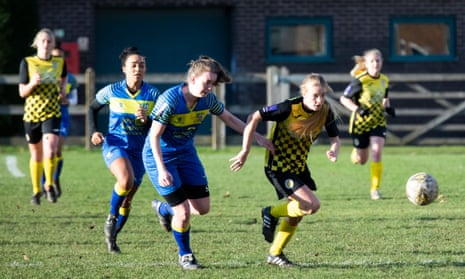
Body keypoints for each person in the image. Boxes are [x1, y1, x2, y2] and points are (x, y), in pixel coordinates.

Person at [143, 55, 271, 270]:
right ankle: (186, 255)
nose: (210, 88)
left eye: (213, 83)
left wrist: (256, 137)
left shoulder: (208, 100)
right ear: (192, 79)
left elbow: (229, 119)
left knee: (202, 208)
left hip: (187, 154)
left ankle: (164, 209)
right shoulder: (170, 100)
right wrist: (162, 169)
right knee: (183, 212)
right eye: (207, 83)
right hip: (160, 157)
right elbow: (154, 136)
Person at [229, 73, 340, 267]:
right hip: (278, 167)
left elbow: (335, 138)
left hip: (299, 167)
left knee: (296, 215)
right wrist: (246, 150)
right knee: (311, 205)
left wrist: (333, 149)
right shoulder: (288, 108)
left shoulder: (325, 110)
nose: (319, 100)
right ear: (303, 93)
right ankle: (270, 212)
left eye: (322, 95)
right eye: (315, 95)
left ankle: (275, 253)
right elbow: (253, 117)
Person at [88, 46, 161, 253]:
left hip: (140, 150)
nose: (138, 68)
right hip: (115, 144)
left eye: (142, 65)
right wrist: (94, 132)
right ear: (124, 69)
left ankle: (112, 239)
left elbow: (158, 124)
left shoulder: (153, 94)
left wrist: (147, 120)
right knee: (125, 181)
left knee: (128, 197)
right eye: (134, 65)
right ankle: (111, 218)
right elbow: (92, 107)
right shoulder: (112, 91)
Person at [19, 28, 68, 205]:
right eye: (43, 41)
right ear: (37, 44)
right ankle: (36, 191)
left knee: (51, 150)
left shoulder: (59, 62)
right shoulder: (28, 62)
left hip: (52, 112)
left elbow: (64, 78)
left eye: (49, 42)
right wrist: (32, 83)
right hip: (32, 114)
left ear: (53, 45)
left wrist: (62, 91)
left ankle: (48, 184)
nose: (46, 45)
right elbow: (22, 92)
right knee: (36, 155)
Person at [339, 48, 395, 200]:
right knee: (362, 160)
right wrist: (357, 109)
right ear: (366, 63)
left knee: (376, 152)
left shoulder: (385, 80)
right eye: (372, 61)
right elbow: (344, 99)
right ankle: (356, 152)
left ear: (381, 62)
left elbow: (384, 98)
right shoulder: (360, 80)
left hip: (378, 122)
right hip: (360, 124)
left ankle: (375, 190)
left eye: (378, 60)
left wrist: (388, 108)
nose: (375, 63)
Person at [40, 44, 79, 198]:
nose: (57, 60)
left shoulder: (70, 78)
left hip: (62, 116)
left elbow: (74, 100)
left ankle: (55, 179)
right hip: (45, 114)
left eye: (60, 57)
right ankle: (45, 182)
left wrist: (66, 100)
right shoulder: (45, 75)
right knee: (47, 150)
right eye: (55, 56)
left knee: (56, 150)